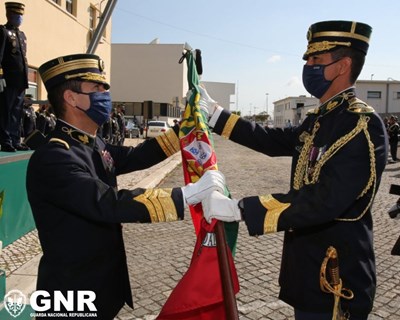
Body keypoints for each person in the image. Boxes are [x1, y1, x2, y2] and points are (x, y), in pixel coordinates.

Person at [200, 21, 388, 320]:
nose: (308, 66)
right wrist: (216, 116)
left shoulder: (360, 125)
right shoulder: (320, 119)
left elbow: (324, 201)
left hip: (336, 279)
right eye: (308, 60)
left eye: (316, 59)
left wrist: (243, 209)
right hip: (306, 269)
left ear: (343, 66)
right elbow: (272, 140)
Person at [26, 53, 226, 319]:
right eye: (95, 88)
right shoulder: (55, 156)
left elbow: (134, 156)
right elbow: (108, 203)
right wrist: (184, 195)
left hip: (101, 286)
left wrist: (185, 128)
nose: (104, 94)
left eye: (104, 88)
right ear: (71, 98)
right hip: (71, 293)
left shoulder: (90, 143)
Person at [0, 2, 29, 152]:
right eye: (17, 15)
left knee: (17, 112)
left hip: (20, 81)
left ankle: (15, 139)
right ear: (9, 15)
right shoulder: (3, 32)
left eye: (21, 16)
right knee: (6, 110)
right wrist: (0, 76)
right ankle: (5, 140)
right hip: (8, 81)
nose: (19, 18)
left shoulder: (22, 36)